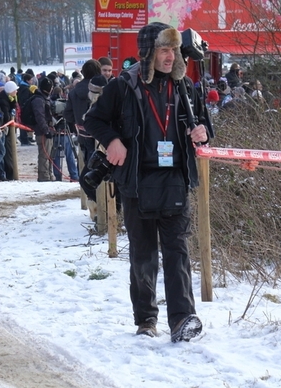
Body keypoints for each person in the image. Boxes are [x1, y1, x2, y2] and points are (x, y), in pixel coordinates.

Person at [84, 22, 209, 343]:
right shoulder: (124, 86)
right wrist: (112, 140)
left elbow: (205, 124)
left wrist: (202, 133)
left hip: (175, 181)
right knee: (143, 255)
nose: (171, 57)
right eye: (164, 50)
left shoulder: (184, 85)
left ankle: (182, 320)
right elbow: (93, 119)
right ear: (149, 52)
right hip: (137, 183)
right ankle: (146, 320)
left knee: (177, 253)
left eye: (174, 50)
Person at [30, 77, 56, 181]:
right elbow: (40, 117)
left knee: (49, 155)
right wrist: (46, 130)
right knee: (44, 155)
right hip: (42, 132)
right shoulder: (38, 99)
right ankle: (44, 176)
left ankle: (49, 174)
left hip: (47, 129)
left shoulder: (44, 98)